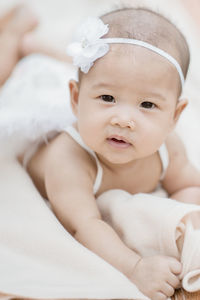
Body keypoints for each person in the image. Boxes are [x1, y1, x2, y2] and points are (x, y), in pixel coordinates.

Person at [15, 6, 200, 300]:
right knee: (16, 67)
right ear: (75, 100)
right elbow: (85, 225)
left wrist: (180, 227)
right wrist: (136, 267)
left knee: (101, 72)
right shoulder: (70, 159)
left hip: (85, 85)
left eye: (148, 105)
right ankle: (18, 37)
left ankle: (44, 50)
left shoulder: (168, 146)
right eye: (108, 98)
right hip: (30, 91)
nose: (123, 119)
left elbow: (189, 185)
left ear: (174, 116)